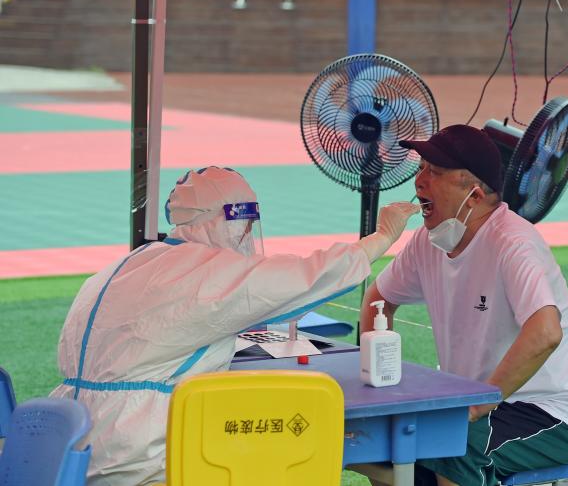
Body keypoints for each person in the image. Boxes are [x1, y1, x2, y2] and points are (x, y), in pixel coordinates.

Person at [50, 166, 418, 486]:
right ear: (227, 220)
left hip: (73, 445)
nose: (246, 236)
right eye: (243, 224)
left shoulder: (130, 264)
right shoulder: (200, 272)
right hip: (138, 456)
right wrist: (382, 237)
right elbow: (304, 277)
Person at [360, 125, 568, 486]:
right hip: (478, 405)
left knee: (455, 443)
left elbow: (546, 332)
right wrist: (380, 381)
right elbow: (378, 299)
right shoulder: (428, 240)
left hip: (552, 413)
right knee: (391, 439)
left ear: (472, 194)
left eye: (435, 172)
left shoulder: (512, 242)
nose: (419, 181)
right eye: (421, 168)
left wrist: (478, 405)